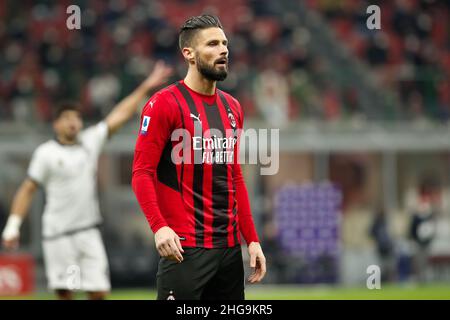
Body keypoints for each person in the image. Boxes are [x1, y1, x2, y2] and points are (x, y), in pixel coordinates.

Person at [1, 61, 173, 300]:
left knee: (99, 292)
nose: (73, 122)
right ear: (56, 124)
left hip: (88, 231)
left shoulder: (90, 142)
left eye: (76, 117)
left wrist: (146, 86)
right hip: (58, 234)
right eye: (67, 117)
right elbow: (27, 189)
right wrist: (13, 225)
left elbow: (119, 115)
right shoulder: (46, 153)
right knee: (65, 292)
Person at [132, 15, 266, 300]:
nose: (224, 50)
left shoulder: (233, 108)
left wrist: (251, 239)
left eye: (225, 44)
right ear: (189, 54)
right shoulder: (163, 104)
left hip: (229, 251)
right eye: (213, 44)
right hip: (185, 248)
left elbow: (234, 176)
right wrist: (159, 227)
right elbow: (141, 172)